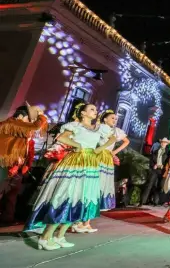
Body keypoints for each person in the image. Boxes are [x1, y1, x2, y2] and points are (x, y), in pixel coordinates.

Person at [25, 103, 116, 250]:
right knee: (67, 195)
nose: (95, 111)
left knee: (81, 197)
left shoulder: (100, 128)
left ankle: (59, 236)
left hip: (91, 164)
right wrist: (77, 145)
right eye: (91, 109)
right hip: (76, 162)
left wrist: (99, 149)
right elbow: (62, 138)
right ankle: (45, 237)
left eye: (95, 109)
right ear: (83, 114)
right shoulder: (75, 126)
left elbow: (112, 139)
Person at [71, 108, 129, 233]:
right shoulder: (99, 127)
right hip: (98, 156)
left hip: (107, 157)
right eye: (112, 118)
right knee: (93, 186)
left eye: (116, 119)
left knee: (100, 188)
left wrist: (113, 152)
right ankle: (81, 221)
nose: (115, 120)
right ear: (105, 119)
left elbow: (126, 141)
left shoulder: (115, 131)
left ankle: (85, 221)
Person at [0, 104, 47, 225]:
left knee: (12, 195)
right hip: (4, 164)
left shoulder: (25, 136)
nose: (28, 124)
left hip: (17, 167)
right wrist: (41, 116)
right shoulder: (10, 123)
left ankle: (7, 219)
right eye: (28, 120)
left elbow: (29, 152)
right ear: (20, 116)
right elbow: (35, 126)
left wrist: (26, 166)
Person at [140, 137, 170, 206]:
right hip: (155, 169)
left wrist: (165, 166)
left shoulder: (168, 152)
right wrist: (154, 165)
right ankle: (142, 201)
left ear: (167, 144)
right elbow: (151, 160)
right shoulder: (156, 151)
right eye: (162, 142)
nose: (163, 143)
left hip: (162, 170)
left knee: (159, 186)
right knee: (149, 184)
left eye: (165, 142)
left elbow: (169, 161)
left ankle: (156, 201)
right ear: (161, 143)